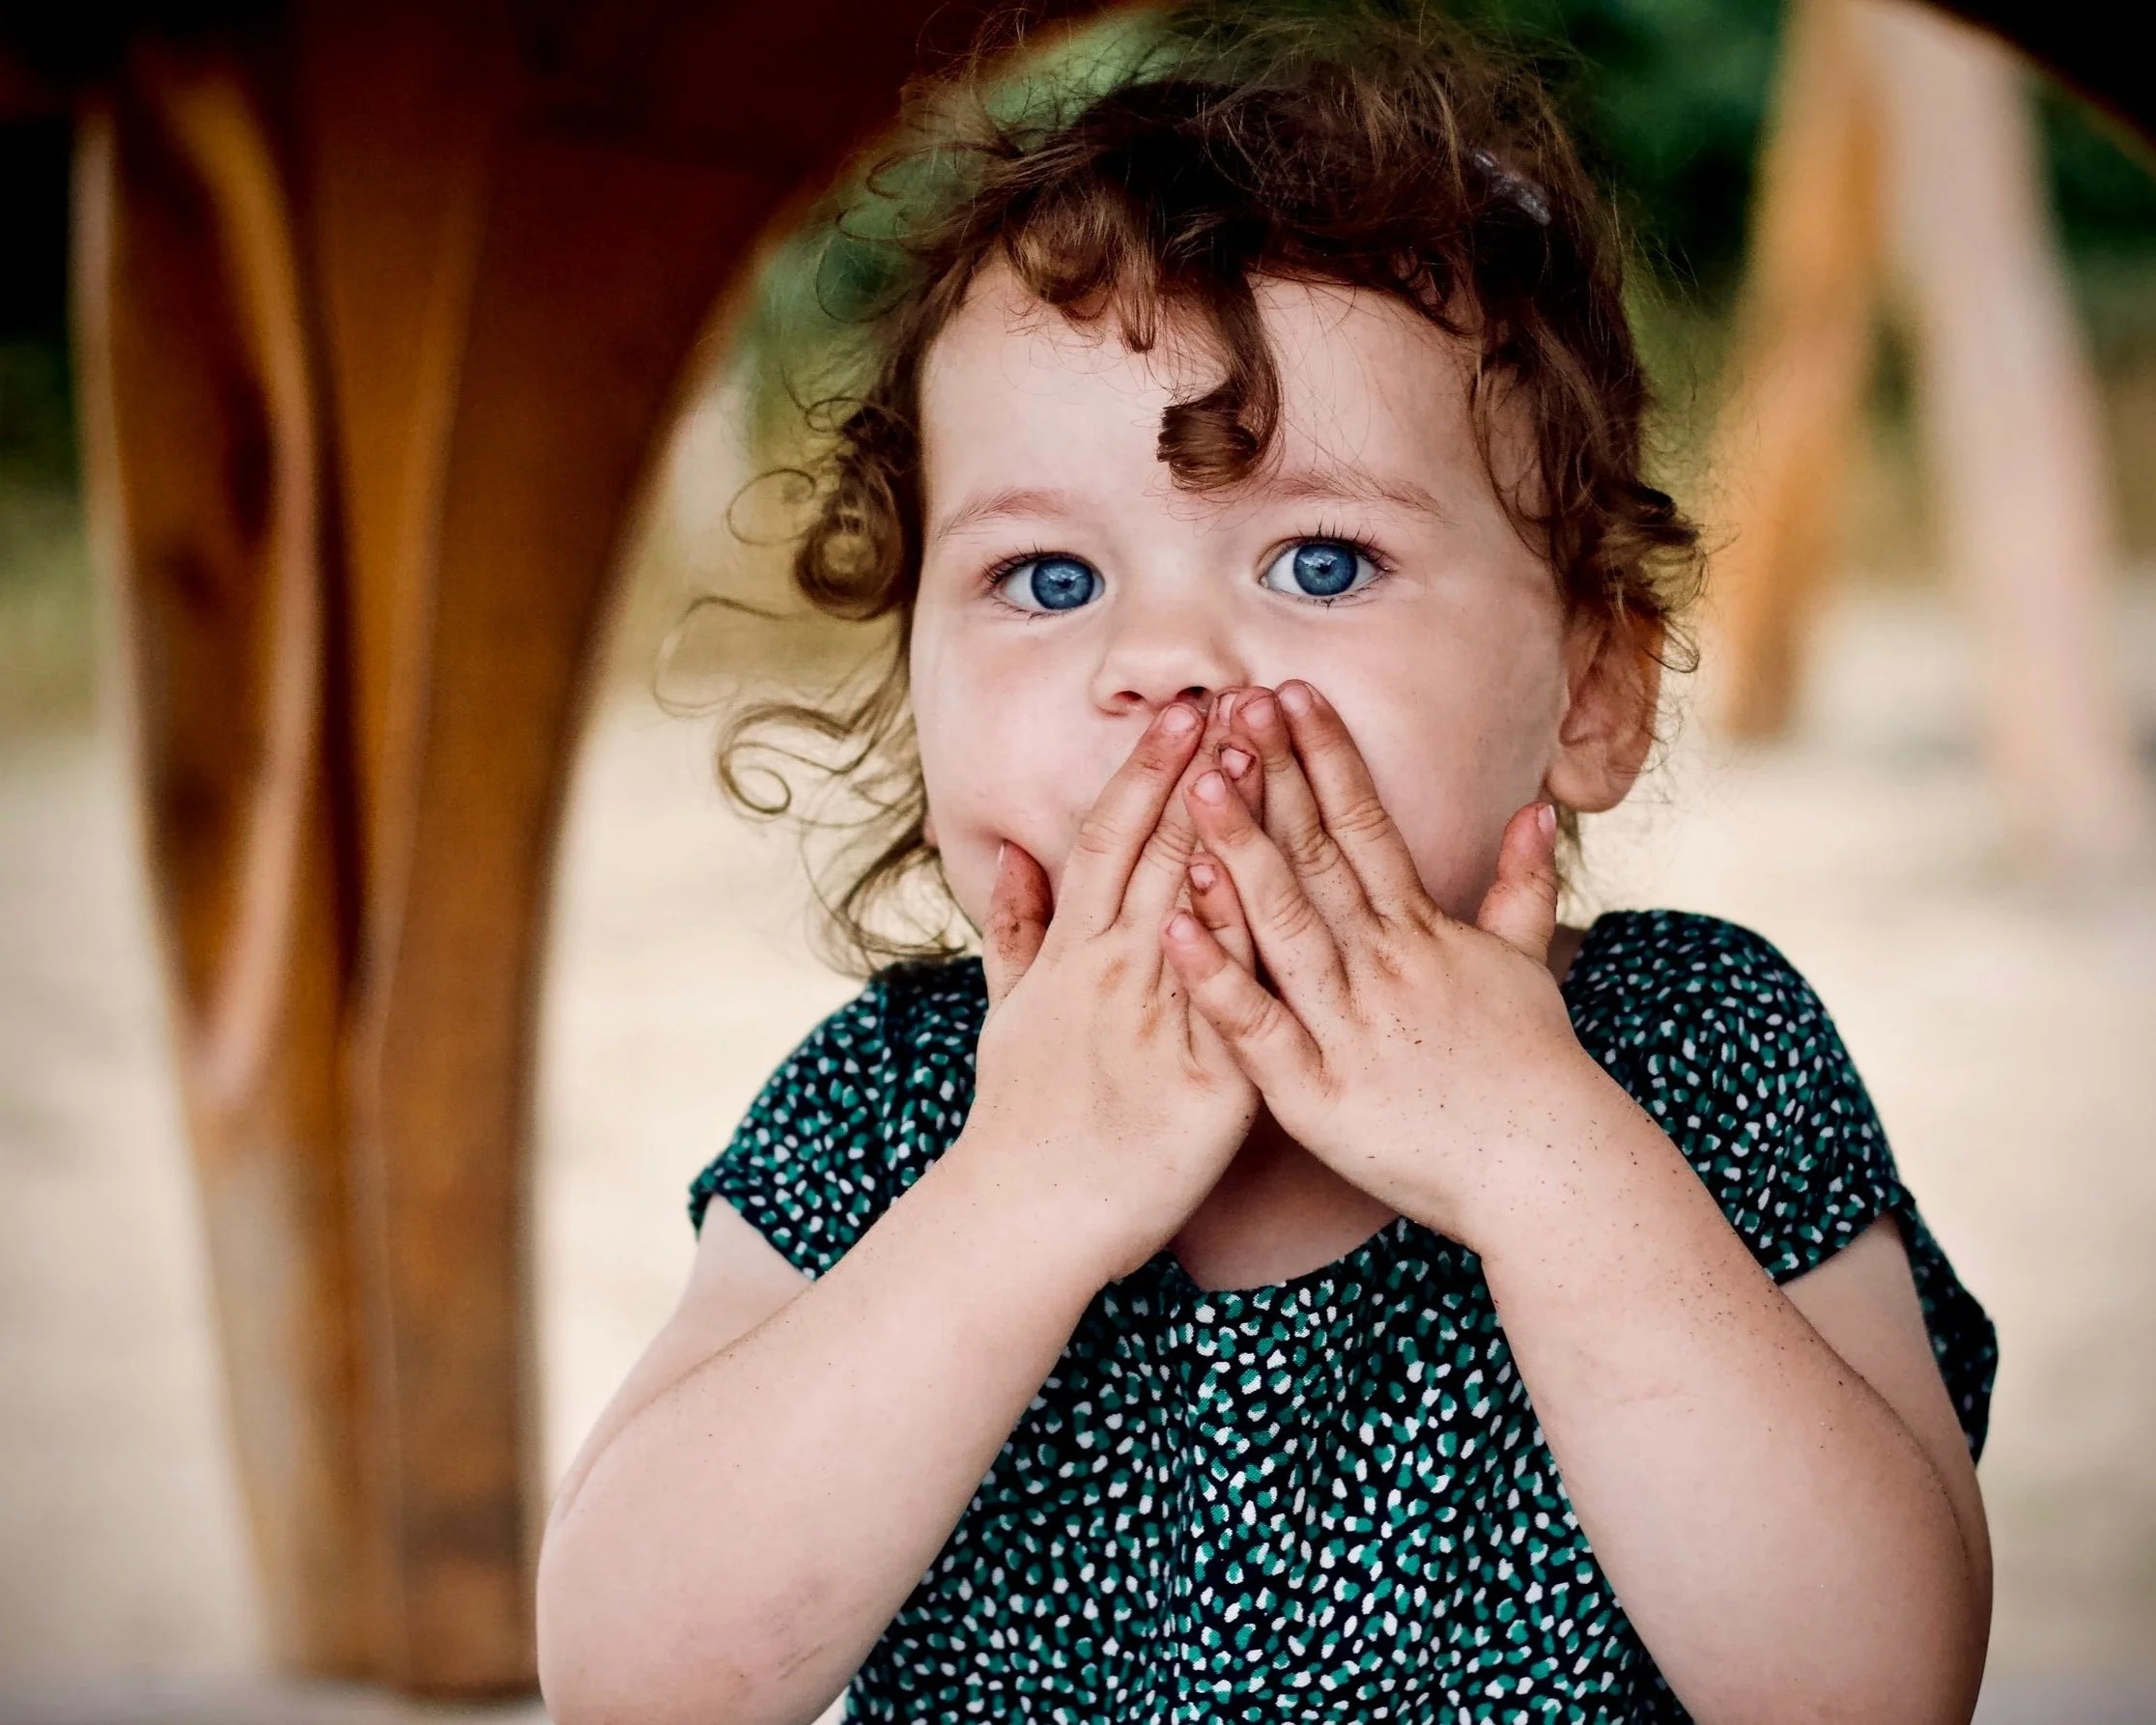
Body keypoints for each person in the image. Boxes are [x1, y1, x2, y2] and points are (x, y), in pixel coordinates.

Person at [536, 9, 1997, 1721]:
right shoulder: (904, 1109)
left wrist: (1532, 1146)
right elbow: (636, 1679)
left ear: (1594, 688)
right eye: (1051, 579)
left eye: (1317, 558)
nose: (1162, 661)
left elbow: (1876, 1685)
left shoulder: (1691, 1054)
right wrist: (1024, 1191)